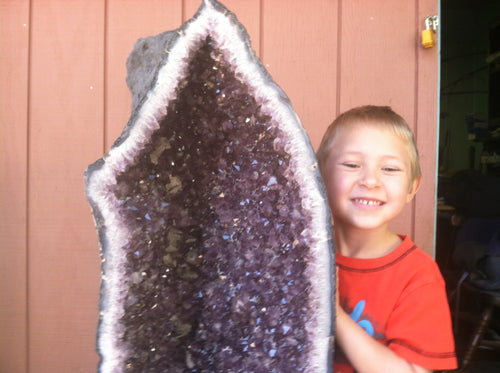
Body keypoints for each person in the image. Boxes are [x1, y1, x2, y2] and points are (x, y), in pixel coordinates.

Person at [316, 106, 457, 373]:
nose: (370, 180)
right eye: (351, 164)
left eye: (389, 168)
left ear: (412, 188)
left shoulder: (418, 276)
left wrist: (334, 315)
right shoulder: (300, 259)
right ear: (320, 178)